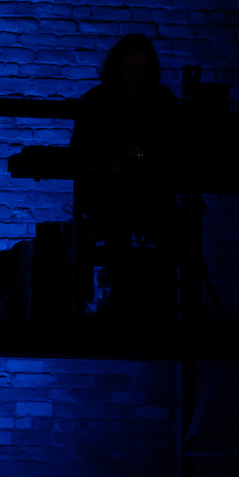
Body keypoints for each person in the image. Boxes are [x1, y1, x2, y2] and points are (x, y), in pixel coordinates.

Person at [69, 33, 182, 320]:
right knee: (118, 215)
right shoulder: (96, 102)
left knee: (172, 224)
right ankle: (125, 304)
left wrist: (135, 155)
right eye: (129, 68)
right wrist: (114, 159)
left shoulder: (161, 101)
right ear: (118, 67)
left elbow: (172, 148)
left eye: (142, 69)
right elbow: (81, 150)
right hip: (108, 196)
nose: (135, 75)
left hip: (150, 195)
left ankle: (162, 306)